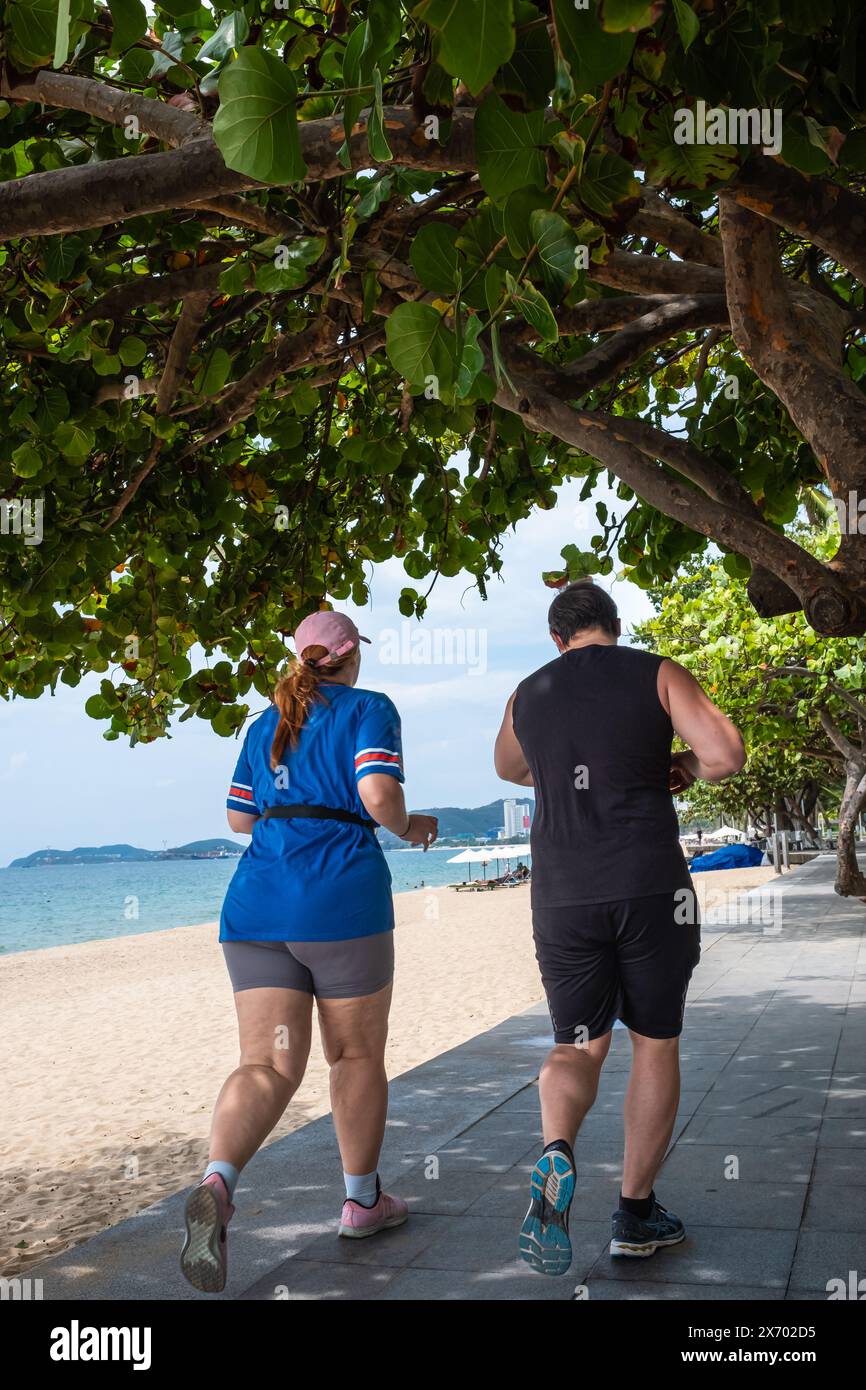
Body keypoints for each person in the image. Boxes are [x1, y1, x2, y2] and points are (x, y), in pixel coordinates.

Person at [180, 610, 438, 1293]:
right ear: (352, 657)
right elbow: (378, 794)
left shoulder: (265, 723)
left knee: (265, 1063)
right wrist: (414, 828)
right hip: (339, 902)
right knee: (353, 1055)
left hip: (257, 905)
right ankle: (361, 1201)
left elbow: (239, 818)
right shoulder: (369, 708)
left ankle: (219, 1181)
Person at [494, 580, 745, 1275]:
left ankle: (556, 1149)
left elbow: (508, 765)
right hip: (650, 888)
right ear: (614, 624)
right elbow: (725, 754)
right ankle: (635, 1215)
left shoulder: (528, 693)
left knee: (576, 1046)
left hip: (563, 897)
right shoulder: (654, 671)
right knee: (654, 1044)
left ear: (557, 638)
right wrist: (679, 766)